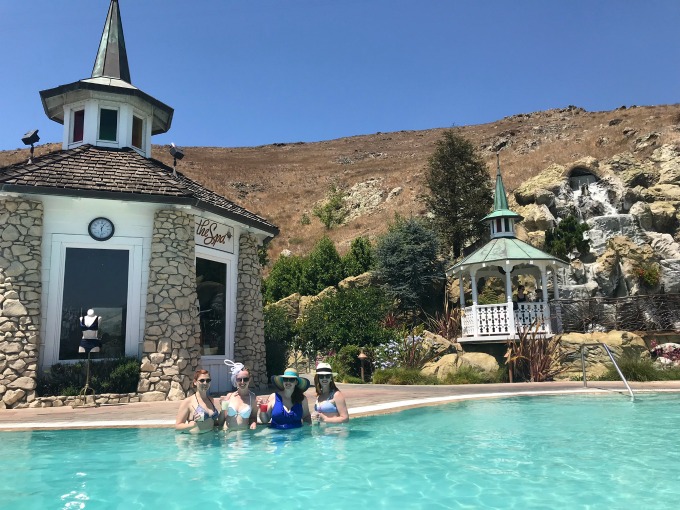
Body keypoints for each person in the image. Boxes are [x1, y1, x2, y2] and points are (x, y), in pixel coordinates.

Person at [175, 369, 220, 434]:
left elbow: (213, 422)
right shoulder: (188, 402)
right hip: (195, 441)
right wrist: (192, 425)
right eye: (202, 380)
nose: (205, 383)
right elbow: (177, 426)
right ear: (195, 382)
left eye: (208, 380)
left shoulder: (211, 400)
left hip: (211, 439)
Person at [219, 360, 257, 431]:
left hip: (243, 436)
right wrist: (222, 409)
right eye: (239, 379)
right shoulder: (229, 396)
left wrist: (253, 423)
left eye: (245, 379)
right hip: (228, 435)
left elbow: (253, 417)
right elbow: (220, 422)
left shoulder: (252, 398)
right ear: (235, 380)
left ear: (249, 380)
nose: (242, 382)